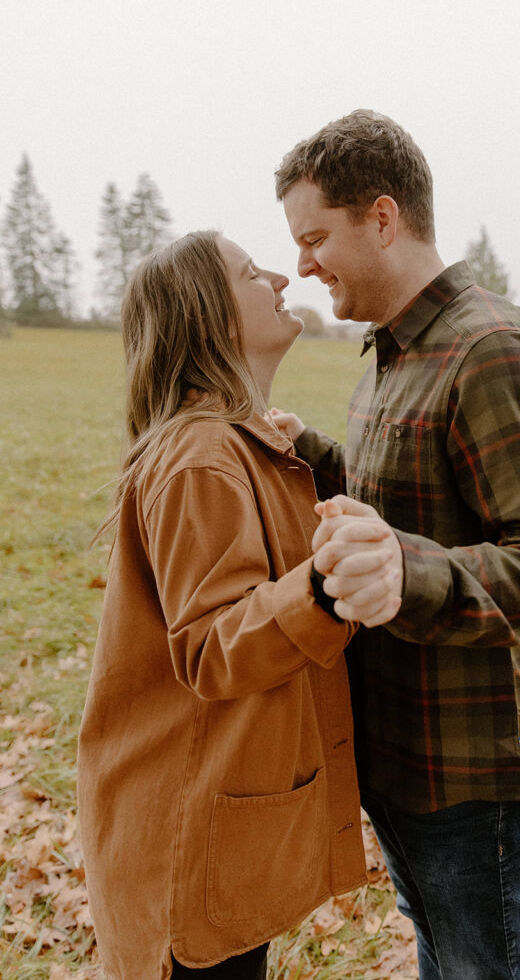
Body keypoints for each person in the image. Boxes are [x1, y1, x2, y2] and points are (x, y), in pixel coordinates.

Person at [272, 110, 520, 980]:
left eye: (315, 238)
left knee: (483, 966)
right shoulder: (396, 350)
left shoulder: (490, 350)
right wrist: (311, 455)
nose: (303, 265)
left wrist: (404, 571)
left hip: (470, 763)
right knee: (448, 953)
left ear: (382, 218)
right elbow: (409, 500)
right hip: (403, 746)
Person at [77, 230, 400, 980]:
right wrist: (326, 583)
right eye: (253, 274)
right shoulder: (200, 456)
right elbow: (212, 647)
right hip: (182, 847)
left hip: (211, 830)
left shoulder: (230, 444)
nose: (282, 278)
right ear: (211, 318)